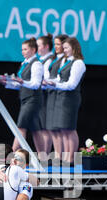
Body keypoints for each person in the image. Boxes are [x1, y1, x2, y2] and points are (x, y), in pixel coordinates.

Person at [0, 38, 45, 159]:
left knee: (20, 127)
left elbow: (35, 84)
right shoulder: (24, 64)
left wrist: (21, 81)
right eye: (22, 49)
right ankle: (44, 158)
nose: (23, 51)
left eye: (25, 49)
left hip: (33, 99)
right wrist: (6, 83)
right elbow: (20, 85)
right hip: (26, 99)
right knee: (36, 129)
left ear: (33, 50)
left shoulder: (36, 64)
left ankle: (12, 156)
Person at [44, 37, 86, 165]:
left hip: (70, 98)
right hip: (62, 97)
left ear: (74, 48)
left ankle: (71, 158)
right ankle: (65, 158)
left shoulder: (78, 63)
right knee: (63, 129)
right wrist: (50, 82)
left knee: (70, 128)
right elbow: (59, 79)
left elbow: (71, 84)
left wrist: (55, 85)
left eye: (67, 48)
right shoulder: (66, 61)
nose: (64, 50)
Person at [43, 34, 68, 162]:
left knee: (58, 128)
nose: (56, 47)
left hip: (58, 94)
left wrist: (51, 81)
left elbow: (61, 77)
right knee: (51, 128)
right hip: (50, 93)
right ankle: (56, 154)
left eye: (58, 44)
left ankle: (60, 155)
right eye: (56, 44)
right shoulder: (53, 58)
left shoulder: (65, 59)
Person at [36, 34, 54, 159]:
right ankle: (43, 155)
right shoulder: (41, 60)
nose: (37, 48)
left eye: (39, 46)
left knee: (46, 127)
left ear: (46, 46)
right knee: (41, 127)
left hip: (46, 94)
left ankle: (45, 156)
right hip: (40, 94)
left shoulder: (49, 61)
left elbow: (48, 79)